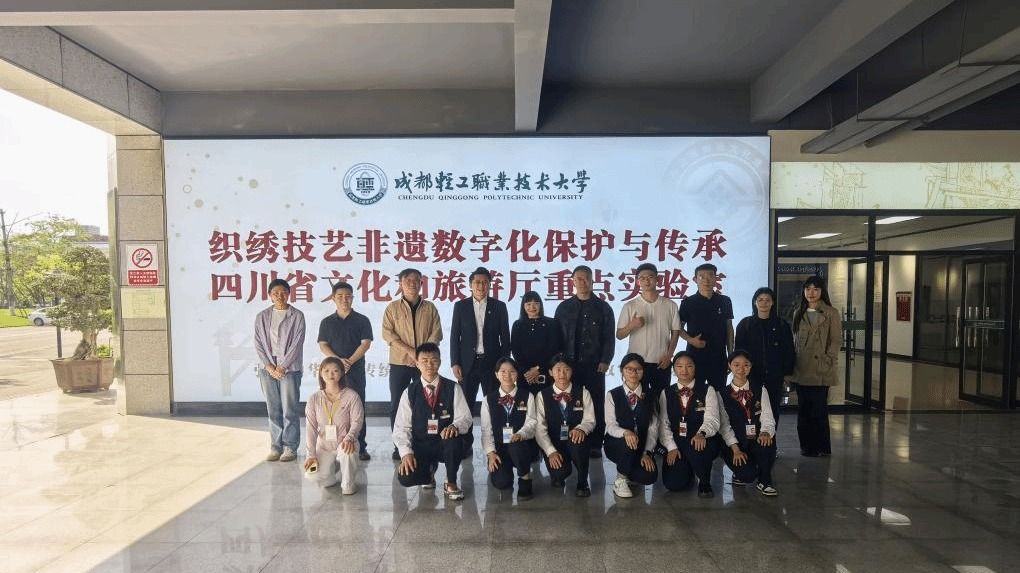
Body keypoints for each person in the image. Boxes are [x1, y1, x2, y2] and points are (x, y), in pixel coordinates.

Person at [393, 343, 471, 500]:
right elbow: (401, 427)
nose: (429, 364)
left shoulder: (453, 388)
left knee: (454, 440)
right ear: (417, 363)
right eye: (424, 360)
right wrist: (406, 453)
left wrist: (455, 426)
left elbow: (465, 417)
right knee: (406, 477)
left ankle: (451, 482)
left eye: (434, 360)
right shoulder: (409, 392)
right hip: (421, 445)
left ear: (440, 362)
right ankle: (428, 473)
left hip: (445, 444)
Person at [555, 265, 615, 459]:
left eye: (586, 278)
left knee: (596, 402)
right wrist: (557, 364)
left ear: (592, 280)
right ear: (573, 281)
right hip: (569, 366)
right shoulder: (563, 308)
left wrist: (605, 360)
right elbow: (557, 338)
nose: (582, 282)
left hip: (594, 364)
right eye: (578, 279)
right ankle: (569, 440)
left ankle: (595, 444)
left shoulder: (603, 308)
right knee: (569, 402)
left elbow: (609, 338)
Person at [382, 268, 443, 461]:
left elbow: (436, 333)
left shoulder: (430, 308)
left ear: (421, 284)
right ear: (401, 283)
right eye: (408, 280)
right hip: (399, 362)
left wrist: (421, 356)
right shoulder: (392, 308)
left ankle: (424, 443)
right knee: (396, 404)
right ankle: (399, 446)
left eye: (417, 280)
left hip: (425, 365)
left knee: (426, 403)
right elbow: (388, 334)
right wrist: (411, 352)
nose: (412, 283)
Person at [450, 267, 510, 455]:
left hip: (492, 364)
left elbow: (505, 339)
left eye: (485, 282)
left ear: (490, 285)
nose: (481, 286)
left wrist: (503, 366)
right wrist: (455, 362)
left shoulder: (499, 306)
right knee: (465, 405)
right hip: (467, 364)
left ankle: (497, 444)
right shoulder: (460, 306)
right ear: (470, 285)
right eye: (477, 282)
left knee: (494, 405)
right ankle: (465, 445)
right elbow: (455, 337)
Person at [317, 282, 373, 460]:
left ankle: (360, 446)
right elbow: (323, 345)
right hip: (333, 373)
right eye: (340, 296)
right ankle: (333, 446)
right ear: (333, 298)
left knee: (358, 407)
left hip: (355, 370)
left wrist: (349, 362)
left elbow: (365, 344)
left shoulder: (362, 320)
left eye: (348, 296)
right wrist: (338, 363)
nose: (344, 299)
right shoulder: (326, 322)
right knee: (332, 407)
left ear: (352, 298)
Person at [657, 351, 723, 498]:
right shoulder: (666, 392)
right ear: (674, 369)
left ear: (695, 368)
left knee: (697, 450)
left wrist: (702, 434)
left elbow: (712, 418)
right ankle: (689, 469)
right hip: (678, 442)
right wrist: (671, 447)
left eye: (689, 366)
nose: (684, 370)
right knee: (673, 484)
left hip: (701, 440)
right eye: (679, 366)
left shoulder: (707, 389)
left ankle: (704, 482)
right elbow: (663, 423)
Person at [253, 278, 305, 462]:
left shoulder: (297, 315)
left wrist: (282, 366)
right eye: (275, 293)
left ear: (289, 293)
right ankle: (276, 447)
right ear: (270, 295)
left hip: (289, 368)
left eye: (283, 292)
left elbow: (297, 343)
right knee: (273, 408)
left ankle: (290, 447)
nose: (279, 296)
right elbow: (258, 343)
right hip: (267, 367)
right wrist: (269, 366)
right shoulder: (262, 316)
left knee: (290, 409)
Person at [791, 275, 842, 458]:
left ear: (822, 291)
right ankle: (807, 447)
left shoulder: (831, 312)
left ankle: (822, 447)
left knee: (819, 410)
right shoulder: (798, 312)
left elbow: (836, 339)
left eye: (815, 289)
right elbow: (795, 341)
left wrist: (829, 358)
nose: (811, 293)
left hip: (821, 368)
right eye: (808, 289)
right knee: (803, 410)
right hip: (802, 368)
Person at [615, 262, 680, 402]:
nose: (646, 281)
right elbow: (619, 335)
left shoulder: (670, 305)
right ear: (637, 281)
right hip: (636, 364)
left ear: (657, 279)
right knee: (637, 400)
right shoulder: (630, 305)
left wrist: (669, 355)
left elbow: (675, 332)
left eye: (650, 277)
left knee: (662, 400)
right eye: (642, 278)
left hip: (661, 361)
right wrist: (631, 325)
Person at [534, 353, 596, 497]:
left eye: (566, 369)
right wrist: (550, 451)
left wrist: (581, 429)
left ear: (572, 371)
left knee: (579, 442)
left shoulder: (583, 392)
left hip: (575, 440)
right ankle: (559, 472)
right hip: (554, 442)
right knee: (560, 474)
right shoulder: (542, 395)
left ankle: (582, 482)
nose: (562, 374)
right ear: (551, 372)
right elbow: (539, 428)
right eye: (558, 370)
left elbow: (590, 420)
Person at [718, 350, 778, 496]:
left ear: (751, 367)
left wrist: (765, 432)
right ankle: (740, 471)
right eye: (736, 365)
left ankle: (765, 481)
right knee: (747, 476)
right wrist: (735, 449)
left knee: (767, 440)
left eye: (746, 365)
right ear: (729, 366)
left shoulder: (760, 390)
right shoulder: (721, 394)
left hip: (756, 439)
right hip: (735, 443)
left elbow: (767, 417)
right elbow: (724, 426)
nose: (741, 369)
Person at [734, 287, 795, 425]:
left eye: (767, 300)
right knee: (750, 410)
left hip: (774, 376)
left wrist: (787, 374)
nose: (764, 303)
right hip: (751, 376)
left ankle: (770, 438)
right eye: (760, 300)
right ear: (755, 302)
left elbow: (788, 351)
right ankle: (753, 438)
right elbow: (738, 353)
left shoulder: (781, 325)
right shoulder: (745, 324)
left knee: (772, 410)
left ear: (772, 303)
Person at [303, 357, 363, 494]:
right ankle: (330, 474)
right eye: (326, 371)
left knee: (347, 451)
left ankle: (348, 484)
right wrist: (311, 455)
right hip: (324, 447)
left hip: (345, 442)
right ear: (320, 373)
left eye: (335, 371)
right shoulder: (314, 399)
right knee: (312, 475)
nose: (331, 374)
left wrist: (349, 438)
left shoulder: (352, 396)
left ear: (342, 373)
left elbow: (357, 421)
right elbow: (311, 429)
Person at [480, 357, 538, 499]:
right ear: (496, 374)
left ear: (517, 374)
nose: (507, 375)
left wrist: (521, 434)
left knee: (516, 445)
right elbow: (486, 430)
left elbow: (532, 423)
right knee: (502, 483)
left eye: (512, 371)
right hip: (500, 448)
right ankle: (505, 471)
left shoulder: (527, 395)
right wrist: (490, 453)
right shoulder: (488, 399)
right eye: (503, 371)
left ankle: (525, 478)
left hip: (522, 446)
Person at [604, 353, 659, 498]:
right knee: (627, 442)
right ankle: (620, 480)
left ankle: (629, 472)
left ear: (643, 371)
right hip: (617, 444)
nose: (633, 372)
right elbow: (610, 425)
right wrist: (625, 433)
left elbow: (653, 428)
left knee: (649, 476)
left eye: (638, 369)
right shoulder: (612, 394)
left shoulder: (651, 395)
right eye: (629, 369)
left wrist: (647, 452)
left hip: (640, 446)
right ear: (622, 370)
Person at [678, 263, 734, 392]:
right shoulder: (688, 303)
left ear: (716, 278)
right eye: (701, 276)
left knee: (719, 394)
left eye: (710, 276)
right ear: (695, 279)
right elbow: (678, 328)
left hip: (719, 356)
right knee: (695, 394)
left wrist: (731, 354)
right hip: (695, 357)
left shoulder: (725, 301)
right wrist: (691, 340)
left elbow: (729, 329)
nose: (706, 280)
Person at [510, 291, 563, 395]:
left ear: (540, 305)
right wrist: (527, 371)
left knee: (546, 401)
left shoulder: (551, 323)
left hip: (546, 372)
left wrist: (538, 369)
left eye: (536, 303)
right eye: (528, 304)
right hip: (525, 375)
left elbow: (554, 349)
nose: (532, 307)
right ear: (523, 306)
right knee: (525, 402)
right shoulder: (517, 325)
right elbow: (516, 351)